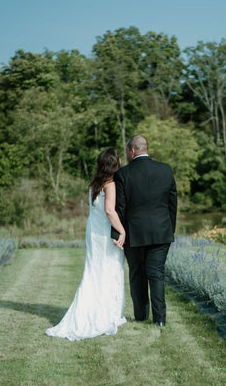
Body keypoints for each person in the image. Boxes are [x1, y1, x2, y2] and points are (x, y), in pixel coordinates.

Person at [46, 147, 127, 341]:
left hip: (93, 232)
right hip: (105, 233)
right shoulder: (110, 184)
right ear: (114, 164)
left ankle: (96, 310)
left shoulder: (94, 184)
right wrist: (123, 231)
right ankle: (107, 314)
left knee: (94, 271)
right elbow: (109, 210)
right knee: (110, 269)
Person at [114, 135, 177, 327]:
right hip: (161, 232)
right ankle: (159, 320)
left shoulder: (122, 174)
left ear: (132, 151)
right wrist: (169, 229)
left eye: (127, 151)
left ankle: (141, 316)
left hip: (134, 234)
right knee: (156, 274)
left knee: (137, 274)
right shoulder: (165, 170)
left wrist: (119, 235)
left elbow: (120, 208)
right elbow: (172, 202)